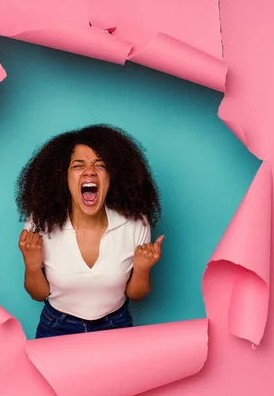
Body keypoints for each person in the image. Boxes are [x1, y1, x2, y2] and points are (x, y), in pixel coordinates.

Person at [15, 124, 163, 338]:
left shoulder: (135, 224)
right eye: (78, 165)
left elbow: (136, 295)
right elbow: (39, 294)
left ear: (112, 176)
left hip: (116, 325)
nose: (90, 171)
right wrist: (31, 264)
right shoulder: (40, 224)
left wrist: (142, 269)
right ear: (62, 177)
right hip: (57, 327)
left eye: (100, 165)